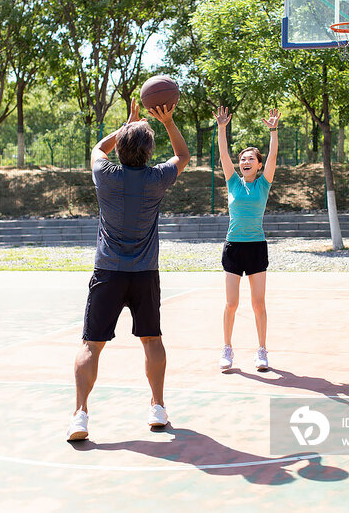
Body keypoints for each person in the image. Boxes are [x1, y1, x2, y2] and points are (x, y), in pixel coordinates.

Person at [67, 97, 190, 441]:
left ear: (120, 148)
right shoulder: (156, 178)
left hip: (107, 272)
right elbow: (183, 156)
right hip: (144, 274)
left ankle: (80, 415)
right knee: (152, 339)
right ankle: (158, 407)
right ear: (150, 152)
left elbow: (97, 148)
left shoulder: (104, 174)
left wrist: (125, 126)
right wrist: (166, 121)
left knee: (91, 344)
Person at [214, 106, 281, 372]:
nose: (245, 161)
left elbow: (274, 155)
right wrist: (221, 128)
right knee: (231, 303)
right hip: (233, 247)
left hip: (256, 247)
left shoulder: (264, 183)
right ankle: (227, 348)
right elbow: (223, 154)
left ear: (259, 164)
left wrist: (273, 131)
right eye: (243, 158)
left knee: (258, 303)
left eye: (250, 158)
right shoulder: (232, 182)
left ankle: (262, 351)